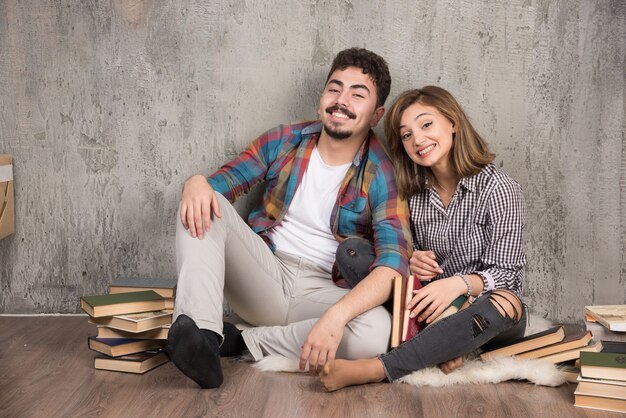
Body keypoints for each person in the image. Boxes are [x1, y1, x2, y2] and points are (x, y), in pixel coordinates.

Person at [165, 48, 412, 389]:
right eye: (334, 89)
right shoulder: (285, 139)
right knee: (200, 204)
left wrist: (336, 318)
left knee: (376, 332)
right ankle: (203, 336)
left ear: (376, 115)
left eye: (358, 95)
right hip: (264, 272)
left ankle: (241, 341)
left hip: (323, 291)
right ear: (321, 97)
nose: (341, 101)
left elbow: (392, 268)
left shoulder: (383, 174)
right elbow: (219, 186)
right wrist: (195, 183)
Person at [319, 86, 527, 391]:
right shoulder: (410, 190)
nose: (417, 139)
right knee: (353, 251)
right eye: (406, 135)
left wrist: (459, 285)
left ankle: (378, 368)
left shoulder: (498, 189)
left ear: (453, 122)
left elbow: (508, 275)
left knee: (507, 303)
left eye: (426, 125)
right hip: (423, 305)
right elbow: (391, 249)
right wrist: (410, 258)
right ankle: (443, 346)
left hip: (480, 309)